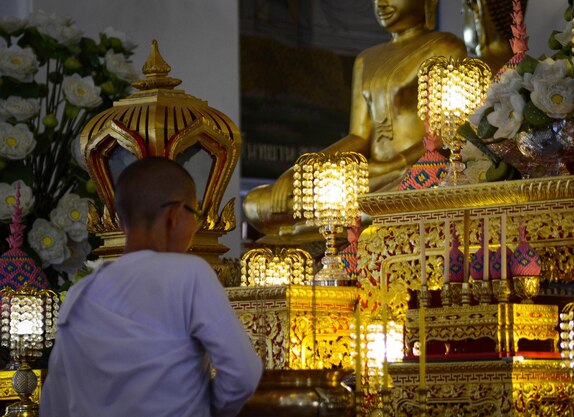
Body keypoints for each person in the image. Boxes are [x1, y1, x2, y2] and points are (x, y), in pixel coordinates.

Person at [40, 157, 263, 417]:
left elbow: (54, 401)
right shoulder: (188, 274)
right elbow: (242, 374)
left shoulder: (81, 293)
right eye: (196, 215)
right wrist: (207, 409)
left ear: (122, 224)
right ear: (175, 215)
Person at [243, 0, 467, 238]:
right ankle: (345, 221)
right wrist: (300, 171)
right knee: (258, 203)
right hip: (371, 174)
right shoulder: (366, 59)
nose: (382, 4)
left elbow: (450, 130)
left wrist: (397, 164)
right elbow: (359, 136)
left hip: (416, 169)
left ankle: (334, 225)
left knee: (408, 193)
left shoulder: (445, 46)